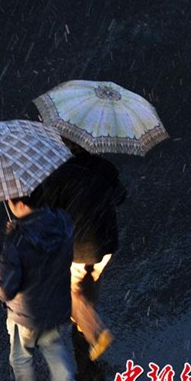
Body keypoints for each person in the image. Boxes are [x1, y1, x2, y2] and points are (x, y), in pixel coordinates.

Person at [37, 139, 127, 363]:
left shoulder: (59, 174)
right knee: (92, 276)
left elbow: (47, 209)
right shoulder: (103, 166)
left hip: (77, 247)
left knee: (70, 291)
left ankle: (95, 333)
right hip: (106, 241)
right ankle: (87, 309)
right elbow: (120, 196)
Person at [0, 195, 84, 381]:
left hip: (26, 313)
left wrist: (13, 237)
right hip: (56, 302)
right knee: (54, 346)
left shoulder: (16, 241)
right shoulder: (62, 221)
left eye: (10, 201)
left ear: (21, 205)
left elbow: (6, 288)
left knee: (21, 357)